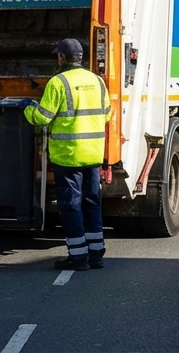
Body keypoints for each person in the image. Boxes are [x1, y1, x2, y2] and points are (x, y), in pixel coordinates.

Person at [22, 38, 112, 271]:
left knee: (71, 206)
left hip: (68, 156)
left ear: (62, 57)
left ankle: (79, 258)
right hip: (93, 154)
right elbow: (107, 115)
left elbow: (42, 117)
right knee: (92, 203)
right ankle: (96, 255)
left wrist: (27, 108)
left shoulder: (58, 82)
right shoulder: (98, 81)